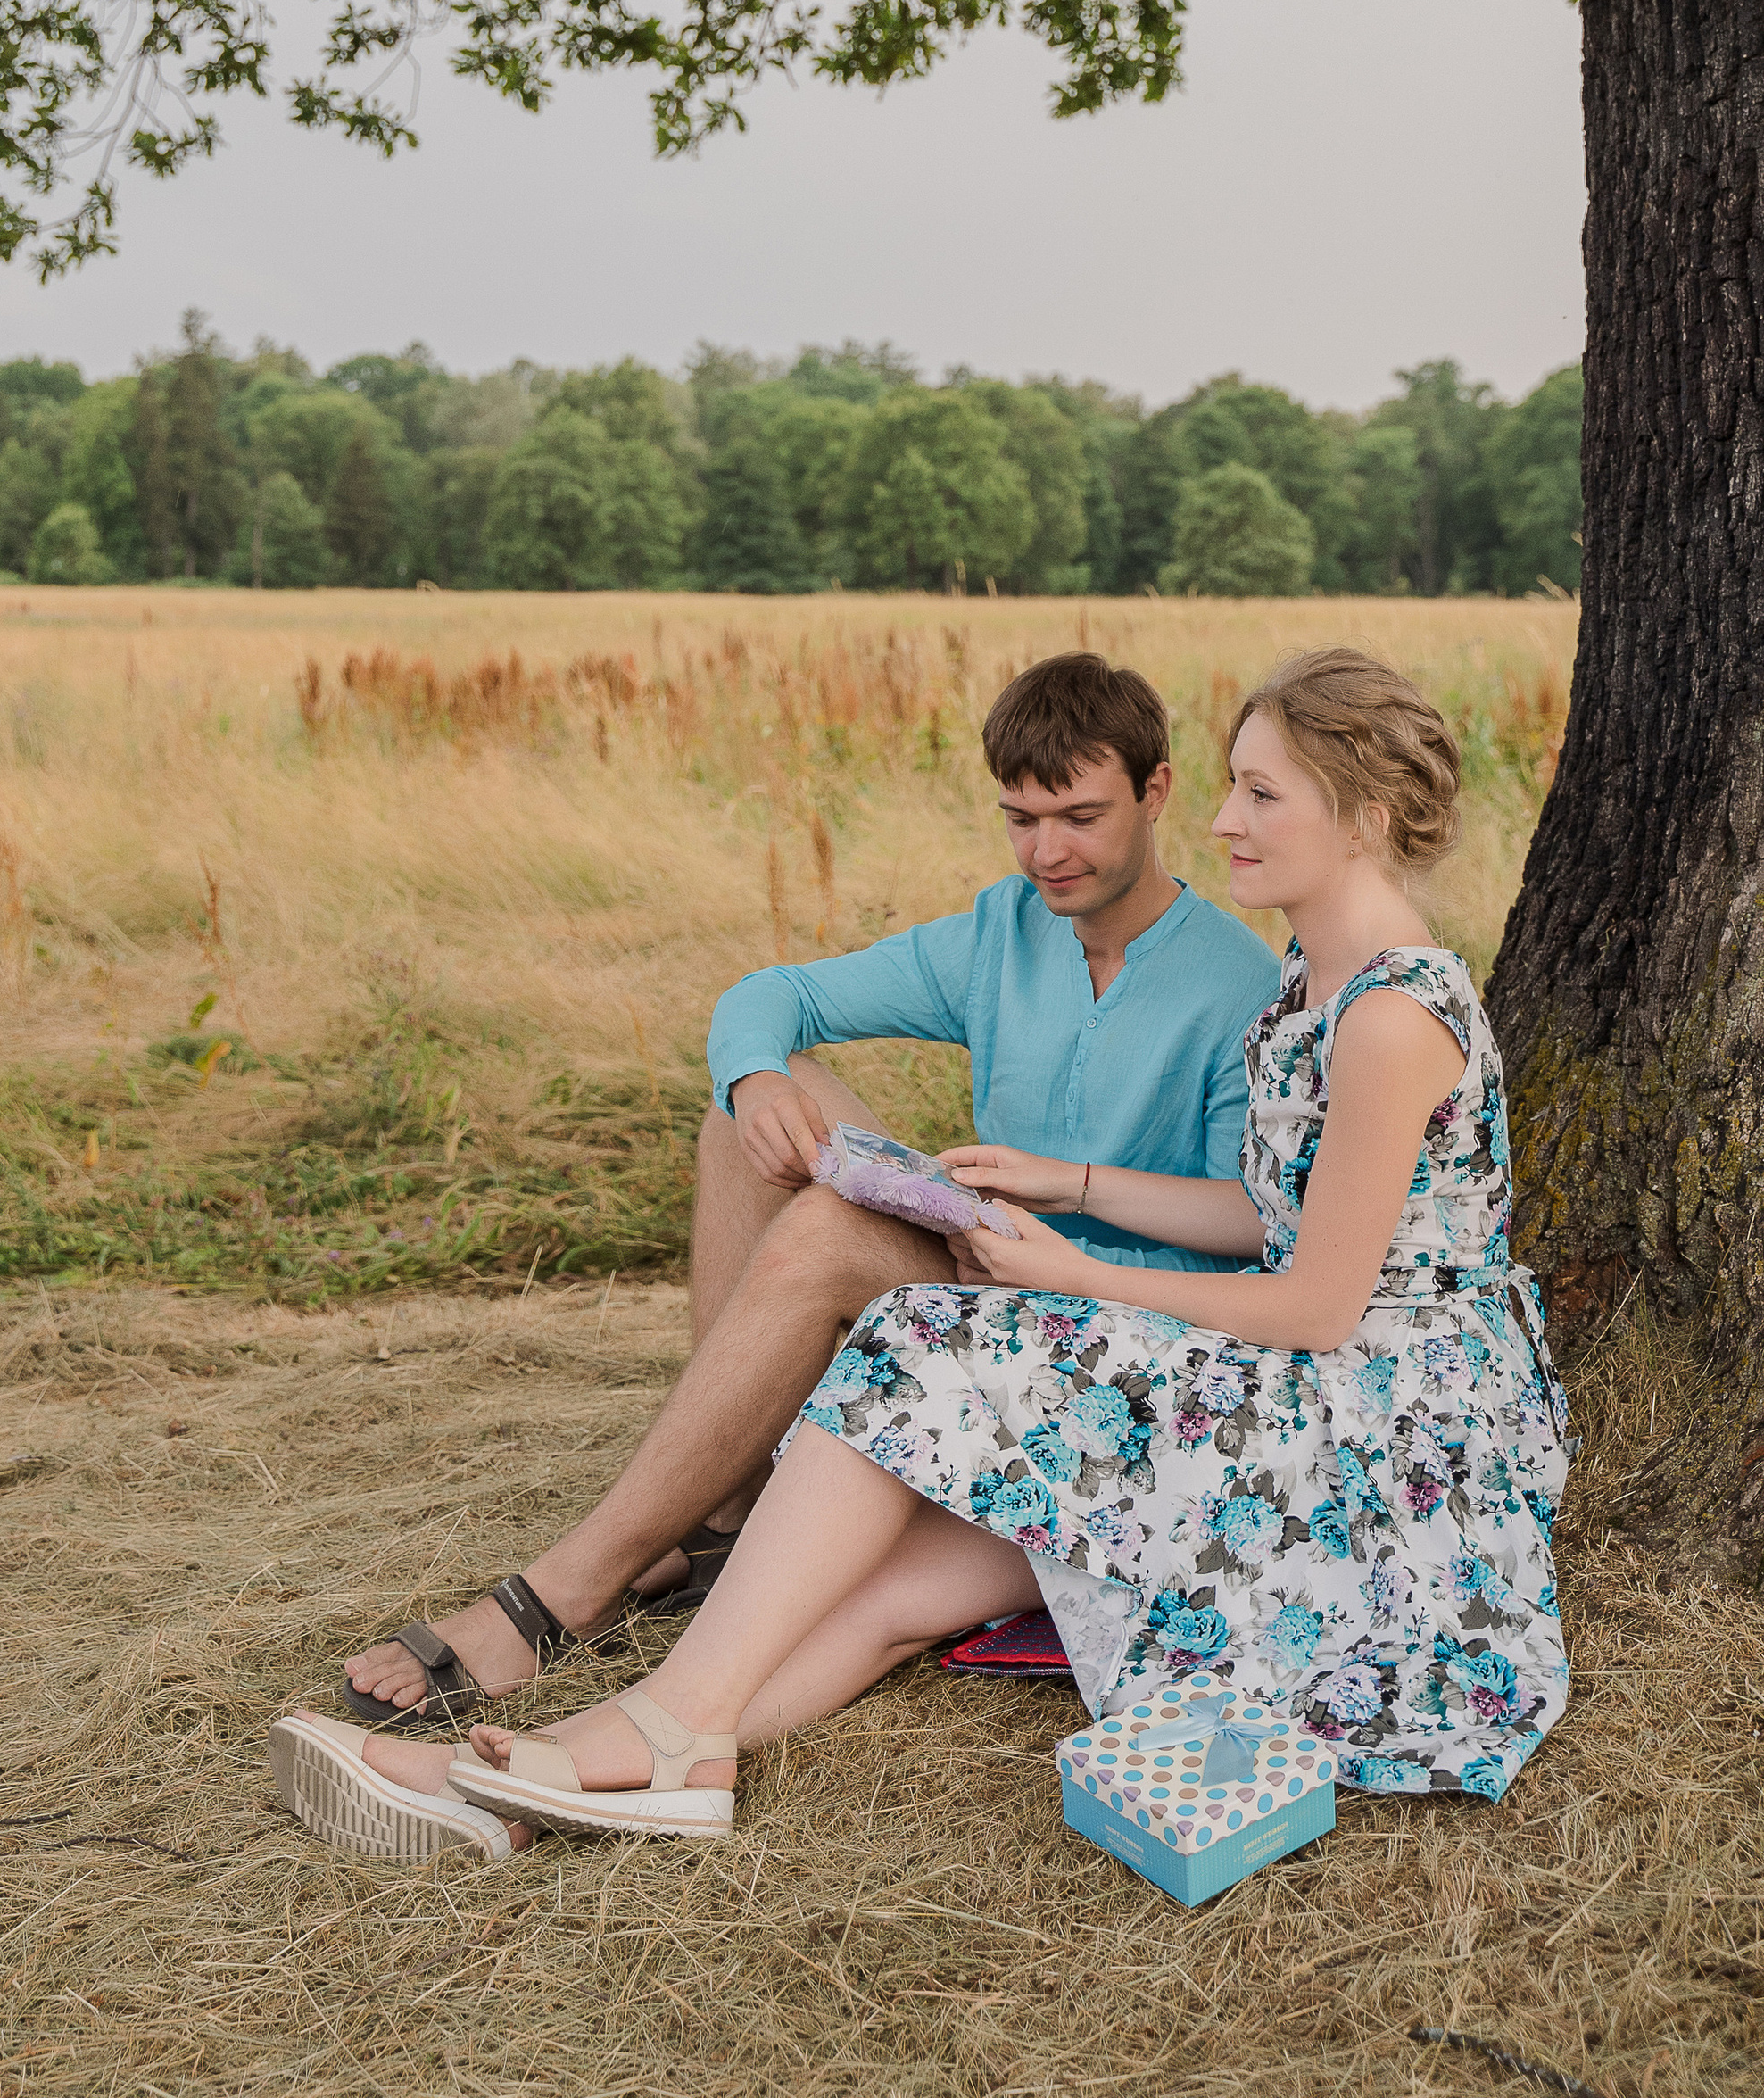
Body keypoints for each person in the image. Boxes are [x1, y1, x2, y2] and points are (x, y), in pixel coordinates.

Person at [390, 648, 1570, 1843]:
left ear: (1365, 815)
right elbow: (1271, 1214)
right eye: (1234, 785)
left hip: (1378, 1414)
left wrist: (1073, 1269)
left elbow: (1318, 1304)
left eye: (1263, 794)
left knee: (918, 1345)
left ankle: (648, 1718)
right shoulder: (1308, 990)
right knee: (900, 1592)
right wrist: (1074, 1184)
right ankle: (597, 1763)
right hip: (1297, 1373)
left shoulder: (1389, 1018)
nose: (1227, 821)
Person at [275, 652, 1280, 1859]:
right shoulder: (1000, 933)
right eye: (1021, 819)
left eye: (1080, 815)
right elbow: (771, 996)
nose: (1048, 852)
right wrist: (753, 1077)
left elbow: (1249, 1223)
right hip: (984, 1275)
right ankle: (726, 1506)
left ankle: (572, 1591)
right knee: (755, 1112)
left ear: (1158, 790)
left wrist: (1064, 1210)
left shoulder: (1239, 983)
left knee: (825, 1229)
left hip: (1104, 1321)